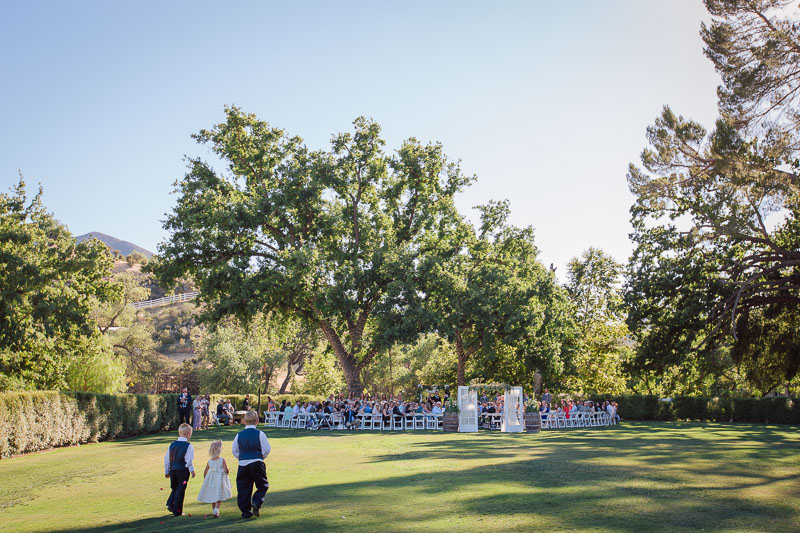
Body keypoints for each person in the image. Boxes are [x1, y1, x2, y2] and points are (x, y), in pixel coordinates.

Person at [232, 410, 271, 519]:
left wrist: (241, 458)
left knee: (243, 487)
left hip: (243, 463)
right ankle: (257, 501)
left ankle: (245, 512)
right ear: (257, 421)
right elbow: (267, 449)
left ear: (244, 421)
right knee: (263, 485)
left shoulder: (239, 435)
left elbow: (234, 450)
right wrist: (261, 456)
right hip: (257, 462)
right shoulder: (260, 434)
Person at [163, 423, 196, 516]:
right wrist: (192, 470)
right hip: (182, 470)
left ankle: (171, 504)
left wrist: (166, 470)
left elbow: (166, 459)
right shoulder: (188, 446)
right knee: (181, 489)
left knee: (175, 487)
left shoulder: (172, 445)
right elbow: (188, 460)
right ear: (189, 434)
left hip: (173, 469)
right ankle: (177, 510)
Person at [197, 439, 232, 518]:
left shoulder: (209, 461)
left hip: (211, 479)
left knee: (213, 494)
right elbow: (226, 469)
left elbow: (205, 471)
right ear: (220, 450)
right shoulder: (222, 460)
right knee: (219, 493)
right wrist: (226, 473)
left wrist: (206, 479)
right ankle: (216, 509)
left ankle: (214, 510)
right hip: (219, 479)